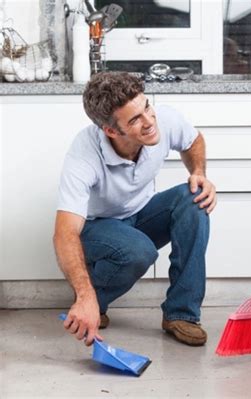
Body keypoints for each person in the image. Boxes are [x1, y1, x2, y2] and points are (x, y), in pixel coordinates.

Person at [53, 71, 216, 347]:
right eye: (135, 119)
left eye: (147, 108)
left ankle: (181, 313)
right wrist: (84, 295)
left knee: (194, 197)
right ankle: (94, 301)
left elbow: (193, 140)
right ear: (111, 131)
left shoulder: (161, 120)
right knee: (138, 250)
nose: (150, 122)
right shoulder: (84, 155)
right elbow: (64, 233)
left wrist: (199, 172)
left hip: (142, 213)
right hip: (97, 227)